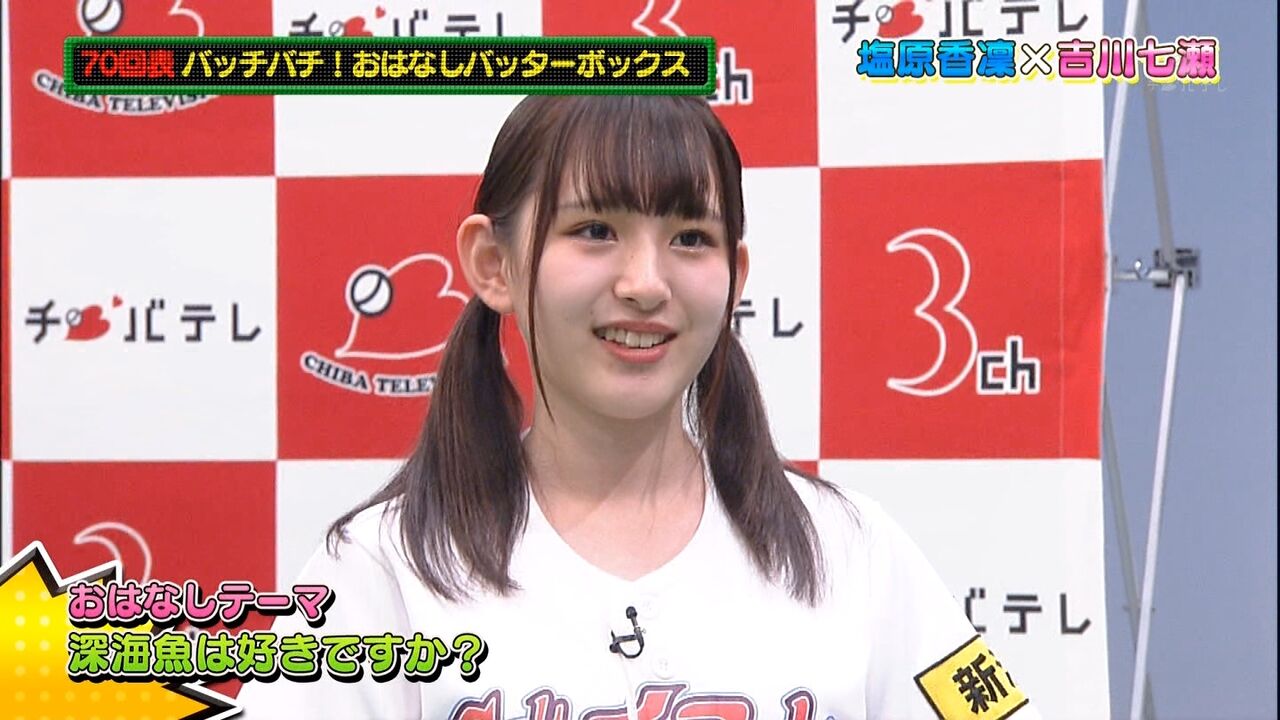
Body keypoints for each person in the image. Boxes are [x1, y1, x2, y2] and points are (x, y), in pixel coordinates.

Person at [236, 95, 1040, 720]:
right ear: (493, 264)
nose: (646, 284)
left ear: (735, 275)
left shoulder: (854, 551)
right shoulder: (381, 569)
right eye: (595, 230)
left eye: (690, 238)